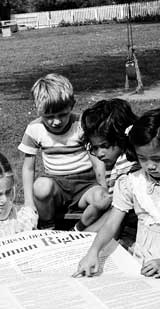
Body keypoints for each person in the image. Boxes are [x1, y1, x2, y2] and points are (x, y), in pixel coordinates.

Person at [75, 108, 160, 281]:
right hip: (143, 258)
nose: (150, 166)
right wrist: (93, 252)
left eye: (157, 159)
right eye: (142, 158)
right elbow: (111, 224)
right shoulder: (131, 183)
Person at [19, 73, 110, 230]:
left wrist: (103, 186)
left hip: (85, 185)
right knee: (40, 187)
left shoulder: (81, 124)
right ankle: (47, 226)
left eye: (62, 114)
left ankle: (79, 229)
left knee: (102, 198)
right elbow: (28, 168)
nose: (56, 121)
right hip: (57, 186)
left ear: (72, 105)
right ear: (38, 110)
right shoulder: (35, 129)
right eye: (49, 116)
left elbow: (97, 161)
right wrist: (28, 201)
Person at [79, 98, 140, 234]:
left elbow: (118, 215)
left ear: (121, 138)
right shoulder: (115, 161)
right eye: (95, 148)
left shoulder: (127, 165)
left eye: (105, 146)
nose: (99, 153)